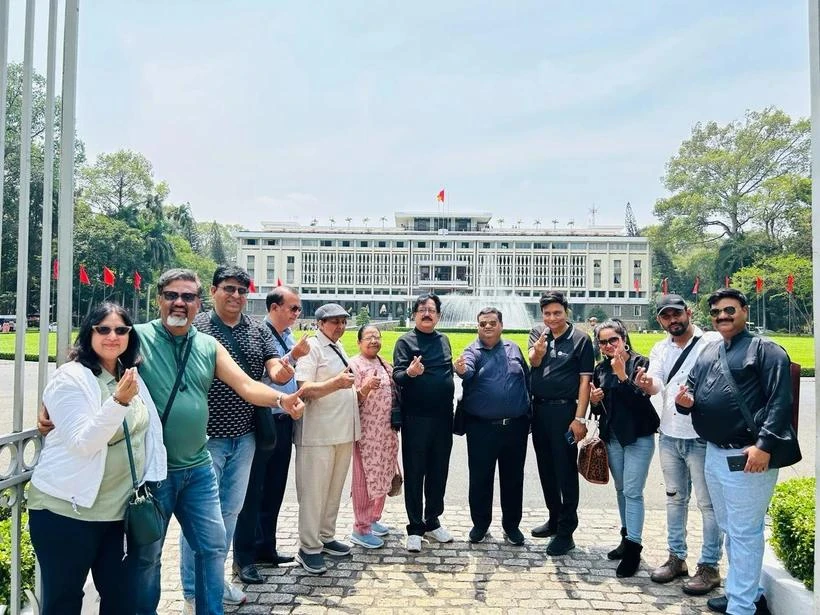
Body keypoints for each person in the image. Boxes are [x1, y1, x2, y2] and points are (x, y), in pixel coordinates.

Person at [125, 268, 304, 615]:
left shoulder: (206, 344)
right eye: (172, 295)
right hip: (156, 469)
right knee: (148, 557)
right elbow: (92, 362)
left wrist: (282, 399)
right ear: (160, 299)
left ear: (196, 301)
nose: (180, 303)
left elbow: (246, 384)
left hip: (197, 466)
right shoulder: (139, 337)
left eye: (187, 297)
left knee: (212, 545)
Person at [28, 302, 166, 615]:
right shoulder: (70, 378)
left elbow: (145, 431)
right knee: (63, 602)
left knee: (120, 601)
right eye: (103, 329)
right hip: (67, 512)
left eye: (121, 330)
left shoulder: (127, 374)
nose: (112, 336)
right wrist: (118, 401)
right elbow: (83, 444)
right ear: (88, 333)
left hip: (116, 515)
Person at [675, 288, 799, 615]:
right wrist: (683, 404)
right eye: (716, 313)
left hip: (750, 456)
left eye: (729, 310)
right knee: (731, 528)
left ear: (744, 310)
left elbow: (780, 403)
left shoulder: (766, 351)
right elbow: (691, 394)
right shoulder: (709, 352)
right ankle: (747, 593)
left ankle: (741, 608)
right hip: (715, 454)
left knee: (744, 532)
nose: (722, 317)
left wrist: (764, 446)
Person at [178, 265, 294, 610]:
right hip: (204, 438)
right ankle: (192, 591)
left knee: (229, 513)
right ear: (214, 291)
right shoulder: (196, 329)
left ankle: (215, 581)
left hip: (244, 437)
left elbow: (273, 366)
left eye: (242, 291)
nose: (236, 296)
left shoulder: (257, 330)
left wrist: (282, 370)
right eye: (229, 289)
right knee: (199, 517)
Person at [634, 294, 723, 596]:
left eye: (676, 314)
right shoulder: (661, 347)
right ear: (660, 320)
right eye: (665, 316)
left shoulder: (710, 341)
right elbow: (657, 380)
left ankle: (709, 565)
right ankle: (677, 558)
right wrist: (647, 384)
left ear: (688, 312)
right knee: (674, 499)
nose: (672, 320)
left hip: (701, 436)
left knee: (708, 505)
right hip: (670, 434)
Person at [233, 286, 310, 576]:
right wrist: (292, 356)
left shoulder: (289, 336)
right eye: (292, 308)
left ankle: (267, 546)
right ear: (274, 307)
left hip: (285, 419)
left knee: (275, 487)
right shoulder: (257, 334)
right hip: (263, 417)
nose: (296, 314)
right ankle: (245, 556)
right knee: (253, 489)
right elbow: (260, 375)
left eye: (298, 309)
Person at [292, 303, 361, 574]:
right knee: (314, 493)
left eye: (343, 322)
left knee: (333, 491)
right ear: (320, 323)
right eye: (334, 322)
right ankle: (308, 546)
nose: (340, 327)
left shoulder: (337, 346)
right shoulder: (313, 348)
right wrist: (335, 383)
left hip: (341, 430)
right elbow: (304, 389)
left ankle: (326, 535)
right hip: (317, 433)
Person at [588, 319, 658, 577]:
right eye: (603, 342)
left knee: (633, 491)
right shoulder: (600, 369)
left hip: (638, 435)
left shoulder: (641, 363)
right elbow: (600, 410)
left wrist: (623, 376)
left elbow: (642, 402)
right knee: (621, 489)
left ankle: (634, 549)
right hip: (613, 437)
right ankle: (626, 536)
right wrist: (595, 402)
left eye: (612, 340)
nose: (608, 345)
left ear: (623, 338)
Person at [454, 307, 530, 546]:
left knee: (513, 478)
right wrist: (462, 370)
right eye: (483, 323)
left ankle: (512, 526)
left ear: (501, 325)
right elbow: (467, 370)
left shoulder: (514, 348)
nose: (487, 326)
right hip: (482, 428)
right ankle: (480, 524)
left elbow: (527, 380)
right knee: (480, 479)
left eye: (492, 323)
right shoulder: (472, 350)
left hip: (515, 428)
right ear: (477, 326)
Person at [527, 291, 593, 556]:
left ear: (566, 311)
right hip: (539, 411)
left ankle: (567, 530)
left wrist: (579, 419)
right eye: (547, 313)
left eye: (557, 312)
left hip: (565, 413)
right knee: (546, 469)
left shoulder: (581, 340)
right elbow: (533, 361)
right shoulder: (537, 333)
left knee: (565, 471)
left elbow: (585, 382)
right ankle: (554, 519)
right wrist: (538, 352)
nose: (552, 318)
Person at [392, 293, 456, 553]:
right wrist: (410, 372)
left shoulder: (444, 341)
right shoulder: (405, 341)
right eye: (422, 310)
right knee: (416, 472)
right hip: (416, 418)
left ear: (438, 315)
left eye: (431, 309)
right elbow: (397, 375)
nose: (427, 313)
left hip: (443, 418)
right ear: (414, 315)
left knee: (439, 471)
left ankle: (433, 520)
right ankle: (415, 527)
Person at [348, 324, 400, 549]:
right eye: (368, 337)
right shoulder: (353, 365)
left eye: (377, 337)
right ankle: (360, 528)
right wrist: (366, 388)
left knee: (384, 474)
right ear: (359, 342)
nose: (373, 341)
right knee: (364, 479)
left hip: (386, 432)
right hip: (366, 433)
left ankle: (373, 518)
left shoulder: (384, 363)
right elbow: (350, 400)